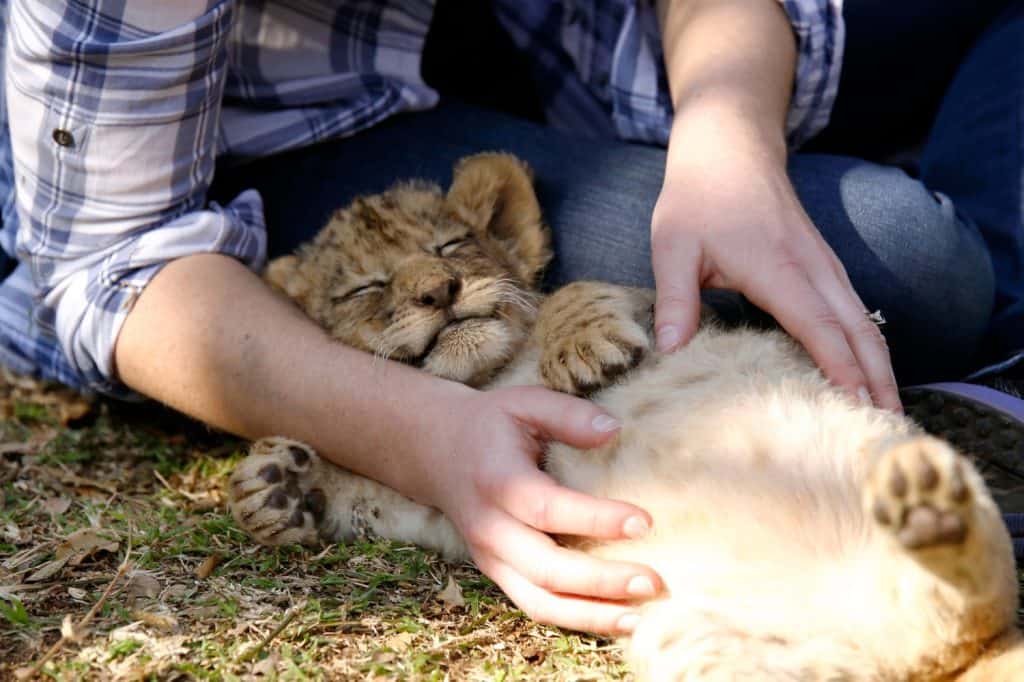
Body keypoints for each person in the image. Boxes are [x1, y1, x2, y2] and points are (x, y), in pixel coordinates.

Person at [0, 0, 1021, 635]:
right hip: (284, 139)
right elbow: (110, 261)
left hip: (562, 45)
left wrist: (729, 139)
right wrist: (414, 432)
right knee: (909, 263)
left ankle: (989, 331)